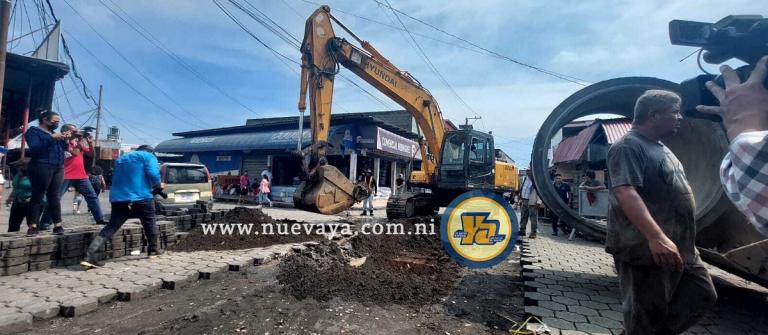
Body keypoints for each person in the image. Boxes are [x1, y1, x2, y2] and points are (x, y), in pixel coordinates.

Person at [606, 90, 717, 334]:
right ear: (653, 114)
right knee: (646, 314)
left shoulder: (661, 148)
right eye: (674, 112)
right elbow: (626, 192)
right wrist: (657, 238)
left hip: (681, 247)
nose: (680, 118)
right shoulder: (628, 146)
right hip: (644, 248)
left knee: (701, 294)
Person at [697, 56, 768, 236]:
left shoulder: (738, 166)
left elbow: (750, 184)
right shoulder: (630, 147)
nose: (677, 118)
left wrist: (742, 122)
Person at [80, 145, 163, 269]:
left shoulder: (121, 158)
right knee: (149, 222)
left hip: (118, 198)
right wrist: (158, 185)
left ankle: (89, 256)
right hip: (141, 196)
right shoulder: (148, 156)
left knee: (112, 226)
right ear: (150, 152)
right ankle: (153, 251)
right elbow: (153, 173)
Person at [41, 124, 107, 226]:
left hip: (81, 175)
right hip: (64, 174)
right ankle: (45, 223)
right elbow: (74, 153)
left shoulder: (76, 142)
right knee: (55, 198)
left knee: (92, 197)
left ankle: (100, 219)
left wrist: (90, 143)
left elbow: (91, 154)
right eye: (74, 131)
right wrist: (80, 143)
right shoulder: (60, 141)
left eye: (77, 131)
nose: (77, 132)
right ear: (66, 131)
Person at [25, 110, 69, 236]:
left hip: (58, 167)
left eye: (58, 122)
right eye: (55, 121)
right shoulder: (33, 132)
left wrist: (65, 140)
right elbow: (34, 148)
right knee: (38, 195)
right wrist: (51, 138)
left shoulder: (54, 133)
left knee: (54, 195)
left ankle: (58, 225)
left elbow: (63, 150)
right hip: (42, 165)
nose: (57, 124)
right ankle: (33, 226)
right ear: (45, 119)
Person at [6, 159, 42, 232]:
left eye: (20, 166)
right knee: (13, 227)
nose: (17, 168)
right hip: (17, 202)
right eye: (17, 166)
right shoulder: (19, 174)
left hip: (31, 204)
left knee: (32, 225)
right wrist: (11, 197)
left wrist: (32, 198)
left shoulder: (36, 175)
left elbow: (42, 190)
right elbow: (16, 187)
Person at [518, 169, 535, 237]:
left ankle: (533, 233)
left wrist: (539, 201)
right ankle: (522, 230)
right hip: (524, 200)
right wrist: (520, 197)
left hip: (531, 201)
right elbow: (523, 188)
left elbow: (539, 192)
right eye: (527, 171)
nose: (527, 172)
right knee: (523, 216)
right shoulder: (525, 178)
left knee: (532, 218)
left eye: (529, 171)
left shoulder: (535, 180)